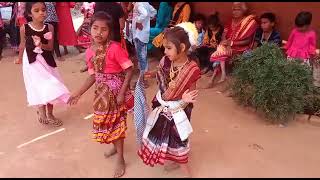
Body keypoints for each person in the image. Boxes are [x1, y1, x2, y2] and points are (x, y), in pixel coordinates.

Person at [68, 11, 134, 178]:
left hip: (115, 95)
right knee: (105, 123)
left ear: (109, 32)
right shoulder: (90, 52)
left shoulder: (115, 48)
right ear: (89, 29)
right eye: (95, 28)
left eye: (103, 29)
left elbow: (129, 69)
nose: (99, 32)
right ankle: (115, 146)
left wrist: (121, 93)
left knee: (116, 124)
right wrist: (78, 93)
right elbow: (93, 76)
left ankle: (120, 157)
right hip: (101, 96)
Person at [136, 22, 201, 178]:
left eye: (169, 48)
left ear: (183, 48)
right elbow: (160, 73)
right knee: (166, 136)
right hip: (163, 106)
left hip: (181, 111)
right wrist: (150, 74)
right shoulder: (166, 61)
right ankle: (174, 159)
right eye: (164, 47)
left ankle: (187, 173)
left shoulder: (191, 69)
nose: (165, 51)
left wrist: (184, 100)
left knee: (179, 139)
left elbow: (191, 96)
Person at [20, 2, 70, 126]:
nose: (41, 12)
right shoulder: (24, 28)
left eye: (43, 10)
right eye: (36, 10)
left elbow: (50, 47)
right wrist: (20, 58)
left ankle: (50, 113)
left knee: (51, 85)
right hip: (32, 62)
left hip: (47, 60)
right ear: (29, 14)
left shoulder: (49, 28)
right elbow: (22, 45)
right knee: (38, 86)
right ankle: (42, 111)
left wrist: (41, 45)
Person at [207, 2, 258, 88]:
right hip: (228, 47)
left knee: (219, 51)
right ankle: (221, 75)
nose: (235, 12)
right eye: (233, 9)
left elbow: (248, 41)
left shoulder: (250, 22)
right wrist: (226, 44)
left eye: (237, 9)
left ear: (244, 10)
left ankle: (214, 78)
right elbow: (224, 35)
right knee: (221, 48)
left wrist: (231, 43)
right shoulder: (230, 21)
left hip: (241, 48)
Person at [132, 2, 157, 88]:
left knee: (142, 57)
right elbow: (154, 12)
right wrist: (147, 20)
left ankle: (143, 81)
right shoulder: (146, 3)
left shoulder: (139, 4)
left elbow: (145, 13)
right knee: (142, 56)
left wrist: (139, 21)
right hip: (143, 34)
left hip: (139, 35)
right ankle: (143, 79)